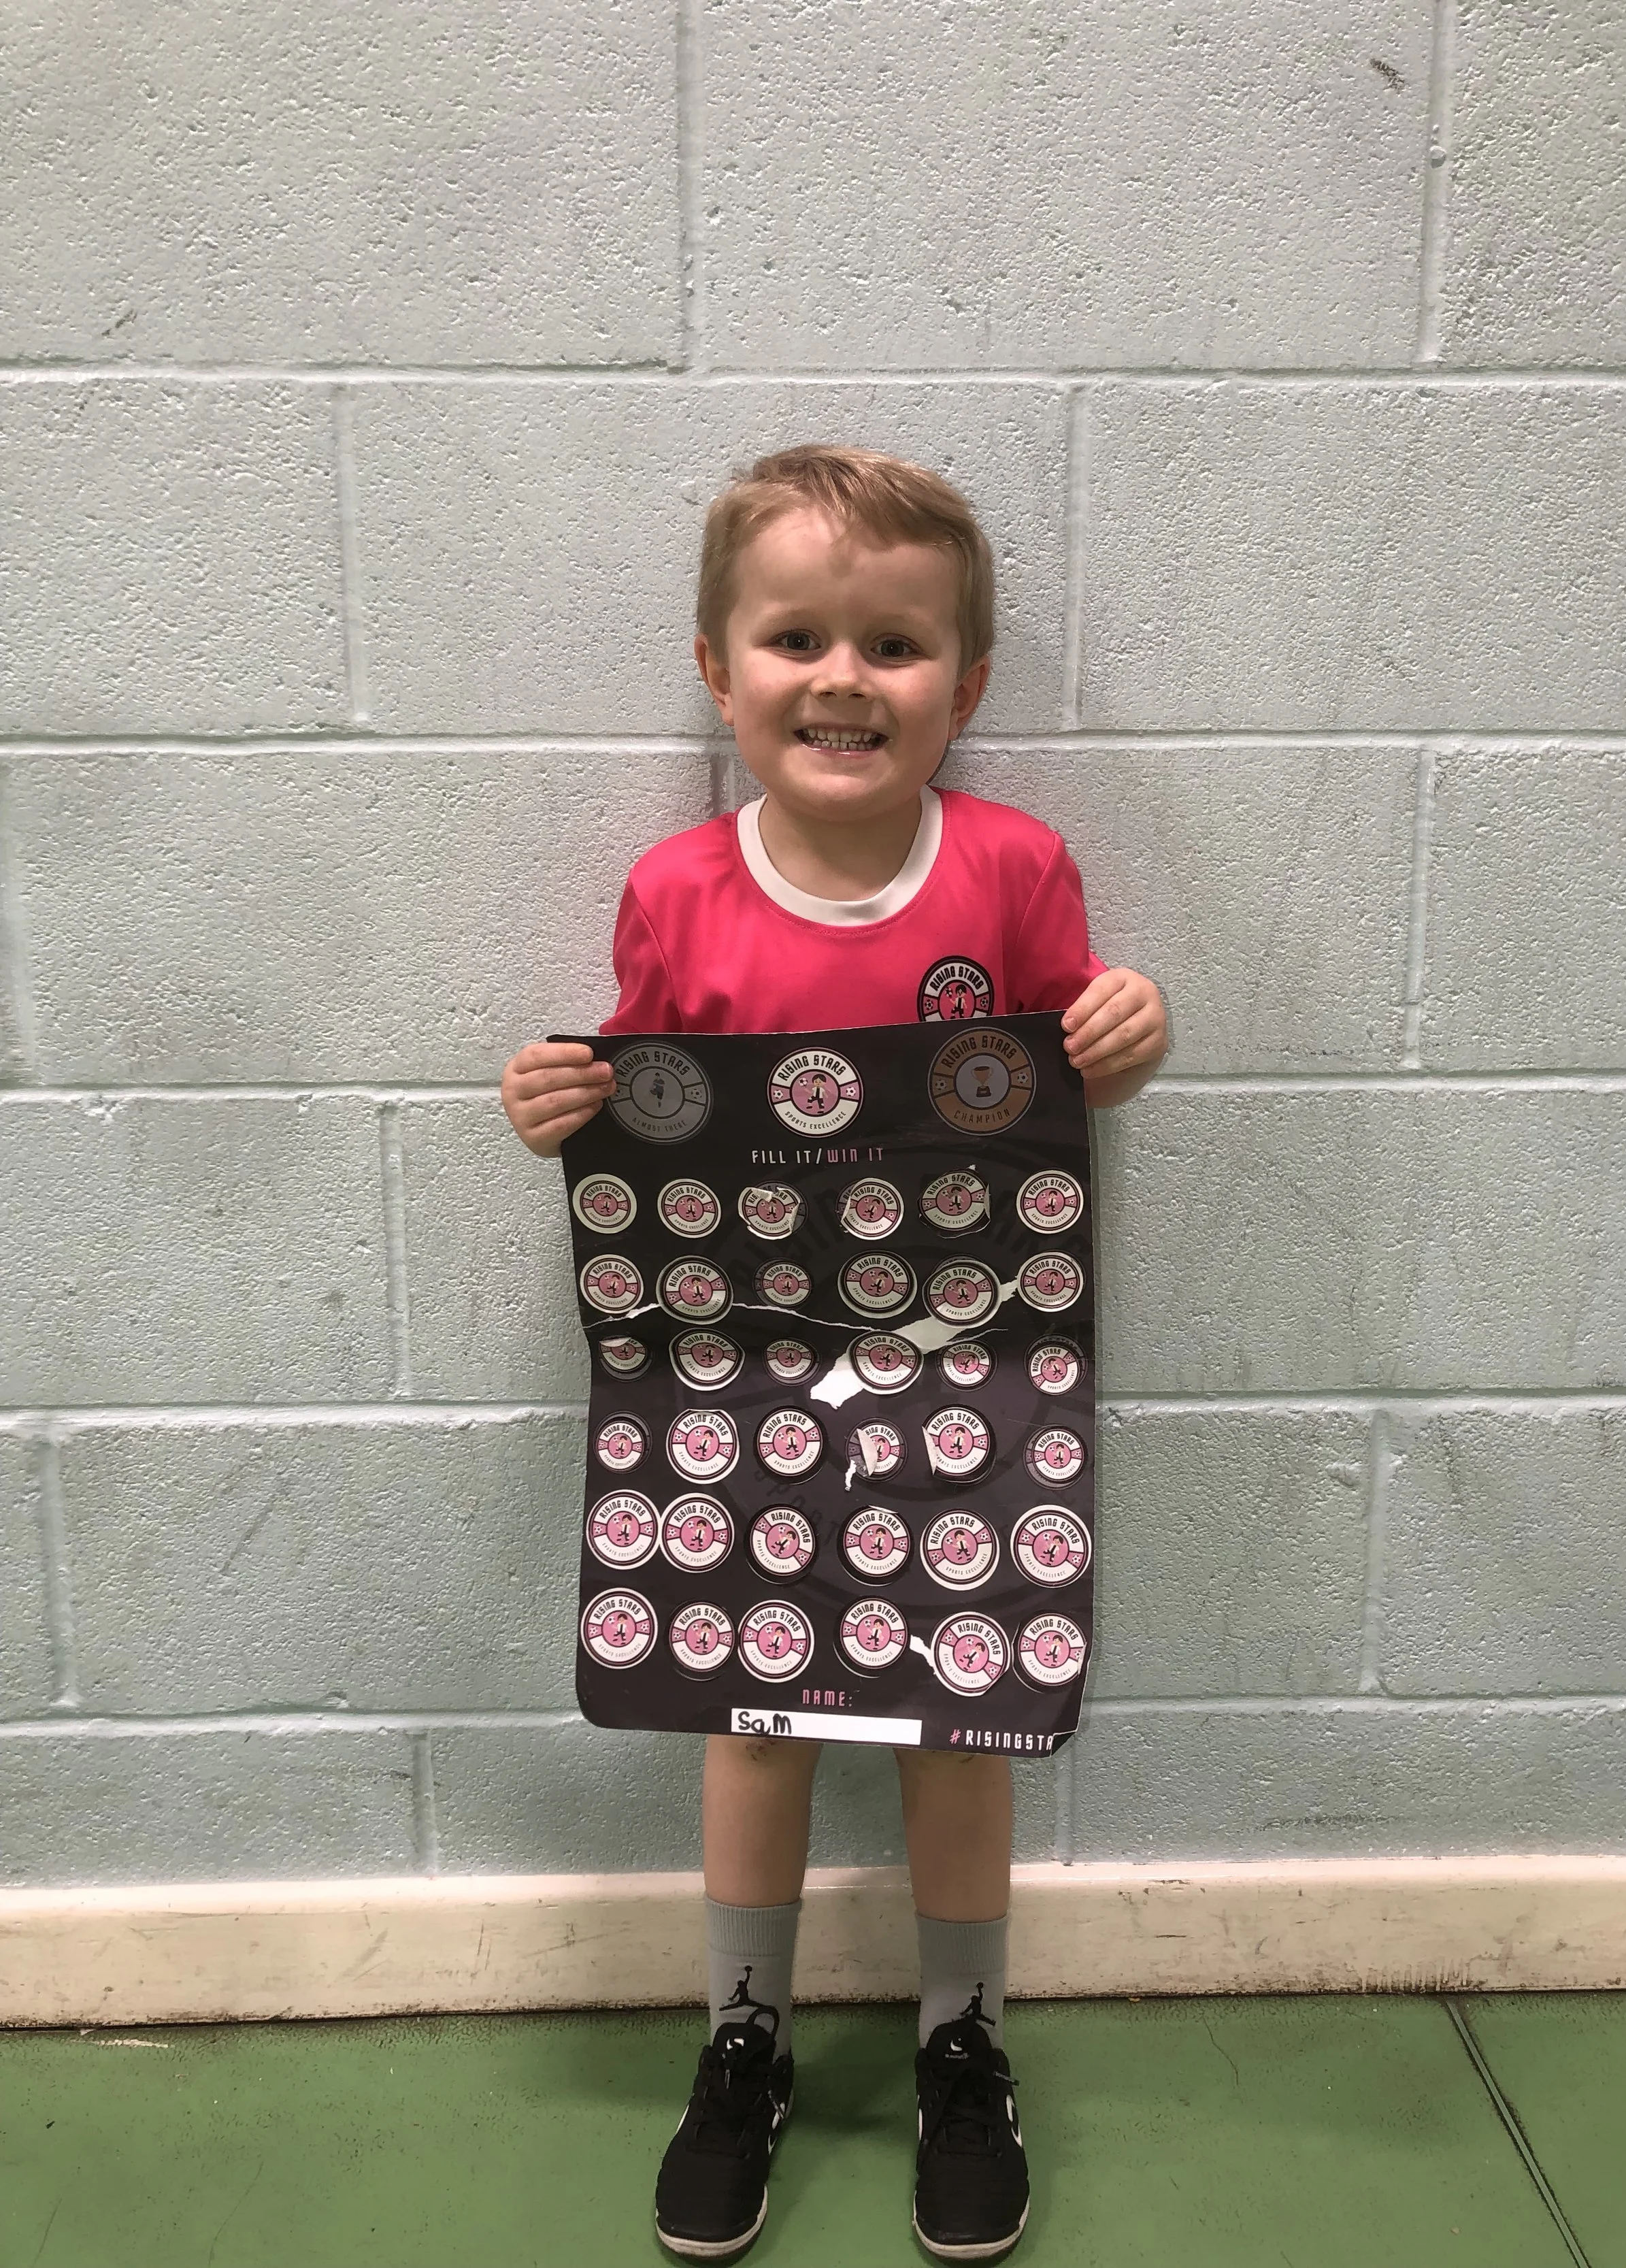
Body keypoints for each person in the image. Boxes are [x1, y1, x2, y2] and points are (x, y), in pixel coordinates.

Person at [501, 444, 1168, 2260]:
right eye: (794, 634)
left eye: (894, 641)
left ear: (964, 678)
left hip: (968, 1365)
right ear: (719, 670)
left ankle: (965, 2042)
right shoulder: (677, 891)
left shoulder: (1017, 869)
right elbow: (647, 1112)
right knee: (758, 1705)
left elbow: (1074, 1063)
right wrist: (557, 1096)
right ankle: (746, 2036)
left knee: (959, 1715)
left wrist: (1129, 1022)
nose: (843, 676)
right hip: (739, 1379)